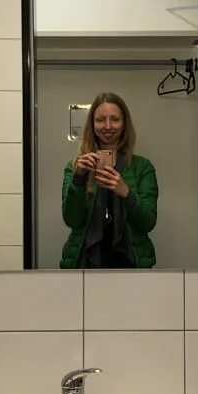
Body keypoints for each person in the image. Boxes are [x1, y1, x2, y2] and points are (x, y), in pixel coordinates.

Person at [60, 93, 158, 269]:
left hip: (130, 262)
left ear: (124, 124)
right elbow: (71, 220)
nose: (107, 126)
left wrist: (126, 192)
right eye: (100, 120)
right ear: (92, 124)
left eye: (114, 119)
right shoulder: (75, 167)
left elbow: (148, 222)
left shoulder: (142, 167)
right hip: (86, 262)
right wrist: (79, 179)